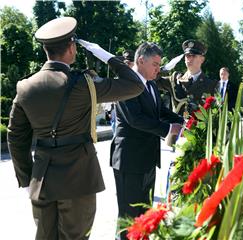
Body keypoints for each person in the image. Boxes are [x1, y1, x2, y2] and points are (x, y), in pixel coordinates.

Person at [7, 17, 144, 240]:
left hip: (41, 180)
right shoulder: (83, 83)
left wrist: (27, 178)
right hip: (78, 179)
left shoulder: (25, 87)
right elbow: (135, 85)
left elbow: (16, 137)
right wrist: (108, 57)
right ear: (71, 48)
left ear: (45, 50)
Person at [109, 42, 184, 239]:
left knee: (144, 215)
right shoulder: (125, 83)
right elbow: (135, 119)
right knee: (128, 218)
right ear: (141, 60)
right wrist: (169, 129)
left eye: (159, 65)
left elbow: (160, 110)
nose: (159, 69)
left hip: (147, 159)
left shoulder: (150, 83)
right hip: (130, 161)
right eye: (156, 64)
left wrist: (182, 122)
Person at [156, 39, 217, 116]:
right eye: (187, 55)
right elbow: (152, 80)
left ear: (202, 59)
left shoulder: (211, 85)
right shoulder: (175, 79)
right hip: (176, 126)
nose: (189, 59)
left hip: (198, 127)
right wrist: (164, 69)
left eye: (193, 56)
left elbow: (215, 112)